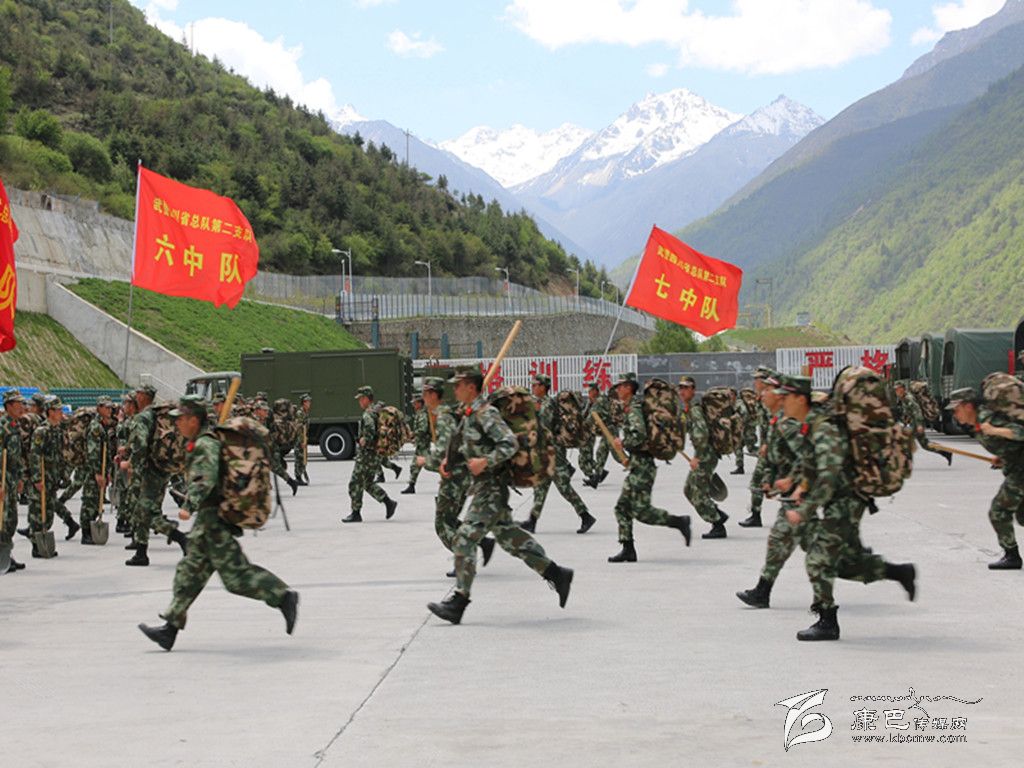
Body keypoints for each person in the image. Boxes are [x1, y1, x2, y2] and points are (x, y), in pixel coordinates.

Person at [138, 395, 298, 651]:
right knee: (189, 573)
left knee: (235, 578)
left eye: (180, 419)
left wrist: (189, 505)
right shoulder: (202, 441)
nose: (177, 423)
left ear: (193, 420)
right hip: (208, 520)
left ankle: (283, 596)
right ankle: (169, 629)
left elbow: (206, 479)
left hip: (214, 521)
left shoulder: (205, 444)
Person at [426, 370, 573, 625]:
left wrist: (485, 462)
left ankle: (459, 601)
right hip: (485, 487)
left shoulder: (486, 414)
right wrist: (449, 462)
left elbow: (508, 444)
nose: (455, 390)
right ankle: (557, 574)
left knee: (464, 539)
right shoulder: (469, 414)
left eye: (459, 385)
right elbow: (464, 446)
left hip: (492, 487)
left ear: (471, 387)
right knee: (511, 539)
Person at [779, 375, 916, 641]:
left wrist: (804, 511)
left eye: (786, 397)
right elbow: (813, 463)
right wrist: (801, 486)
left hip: (846, 500)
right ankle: (899, 572)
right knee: (846, 563)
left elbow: (829, 476)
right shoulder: (811, 423)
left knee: (817, 559)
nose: (782, 402)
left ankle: (827, 621)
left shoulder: (824, 427)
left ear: (799, 399)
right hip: (842, 499)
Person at [735, 373, 811, 608]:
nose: (763, 393)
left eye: (769, 390)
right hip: (791, 494)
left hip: (800, 495)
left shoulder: (788, 423)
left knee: (783, 541)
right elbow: (774, 456)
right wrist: (769, 480)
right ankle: (762, 591)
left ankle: (875, 567)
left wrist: (793, 481)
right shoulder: (777, 419)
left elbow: (810, 457)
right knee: (805, 543)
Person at [607, 372, 692, 563]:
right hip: (638, 464)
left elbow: (639, 436)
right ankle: (628, 549)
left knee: (642, 512)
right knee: (621, 508)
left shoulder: (635, 409)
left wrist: (623, 443)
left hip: (643, 467)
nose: (618, 389)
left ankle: (679, 522)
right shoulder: (635, 407)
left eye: (620, 386)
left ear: (629, 387)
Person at [417, 377, 495, 575]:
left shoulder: (444, 417)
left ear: (433, 394)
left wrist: (426, 461)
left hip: (454, 478)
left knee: (442, 524)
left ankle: (465, 558)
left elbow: (444, 452)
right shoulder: (450, 414)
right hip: (462, 476)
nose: (423, 397)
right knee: (451, 520)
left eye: (425, 393)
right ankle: (482, 542)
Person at [947, 387, 1024, 569]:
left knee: (998, 511)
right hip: (1016, 468)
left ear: (968, 406)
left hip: (1020, 472)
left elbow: (1021, 432)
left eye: (956, 409)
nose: (955, 415)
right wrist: (1002, 457)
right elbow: (1012, 446)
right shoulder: (977, 424)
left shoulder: (988, 419)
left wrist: (995, 430)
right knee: (1022, 516)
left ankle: (1012, 556)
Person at [520, 373, 595, 534]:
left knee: (563, 486)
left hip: (553, 451)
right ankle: (532, 521)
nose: (533, 387)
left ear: (543, 387)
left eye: (535, 385)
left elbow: (544, 427)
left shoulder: (547, 404)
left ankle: (585, 516)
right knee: (540, 486)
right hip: (544, 451)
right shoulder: (540, 404)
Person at [123, 384, 188, 566]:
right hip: (165, 467)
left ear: (142, 396)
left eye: (137, 394)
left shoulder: (144, 417)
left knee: (144, 511)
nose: (135, 397)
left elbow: (141, 445)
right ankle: (141, 552)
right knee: (147, 510)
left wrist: (131, 465)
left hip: (150, 469)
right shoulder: (159, 414)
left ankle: (180, 538)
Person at [26, 396, 79, 554]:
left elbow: (60, 455)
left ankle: (42, 542)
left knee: (48, 512)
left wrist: (64, 475)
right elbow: (35, 456)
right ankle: (36, 545)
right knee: (38, 511)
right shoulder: (42, 431)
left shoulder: (57, 431)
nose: (61, 412)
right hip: (43, 477)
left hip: (52, 478)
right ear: (50, 412)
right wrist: (37, 479)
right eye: (58, 410)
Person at [343, 386, 398, 523]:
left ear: (367, 399)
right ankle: (389, 502)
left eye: (361, 398)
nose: (359, 401)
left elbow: (370, 430)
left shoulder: (368, 414)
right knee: (367, 483)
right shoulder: (377, 412)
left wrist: (364, 440)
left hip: (366, 455)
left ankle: (356, 513)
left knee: (354, 483)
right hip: (375, 455)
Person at [684, 384, 730, 539]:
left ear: (693, 390)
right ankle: (716, 513)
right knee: (688, 490)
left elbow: (702, 433)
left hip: (705, 456)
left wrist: (697, 457)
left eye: (686, 388)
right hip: (705, 455)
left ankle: (718, 524)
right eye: (680, 388)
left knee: (697, 493)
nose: (682, 391)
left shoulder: (695, 410)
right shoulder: (690, 409)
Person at [738, 367, 775, 528]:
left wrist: (767, 444)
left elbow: (774, 423)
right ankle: (755, 514)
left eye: (757, 379)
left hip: (772, 449)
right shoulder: (761, 399)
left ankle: (756, 515)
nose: (755, 382)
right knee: (760, 482)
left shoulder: (768, 400)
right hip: (769, 448)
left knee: (758, 482)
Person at [79, 397, 115, 545]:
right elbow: (93, 452)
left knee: (96, 501)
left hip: (101, 469)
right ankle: (86, 532)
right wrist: (97, 473)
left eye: (110, 408)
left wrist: (107, 472)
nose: (109, 410)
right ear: (99, 408)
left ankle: (92, 528)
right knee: (89, 500)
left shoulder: (103, 426)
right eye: (106, 407)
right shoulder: (95, 427)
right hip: (93, 470)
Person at [893, 381, 952, 465]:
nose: (896, 391)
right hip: (913, 423)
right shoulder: (903, 398)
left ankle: (903, 461)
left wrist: (919, 425)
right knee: (925, 444)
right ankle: (945, 452)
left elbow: (917, 411)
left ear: (902, 389)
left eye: (897, 389)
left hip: (915, 424)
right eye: (895, 390)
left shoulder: (908, 398)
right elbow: (908, 413)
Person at [1, 389, 26, 572]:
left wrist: (19, 478)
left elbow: (17, 457)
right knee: (2, 519)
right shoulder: (2, 427)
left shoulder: (15, 426)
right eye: (18, 404)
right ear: (9, 405)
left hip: (11, 479)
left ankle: (6, 554)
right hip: (2, 479)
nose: (22, 407)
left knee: (11, 520)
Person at [581, 382, 617, 488]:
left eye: (590, 391)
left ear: (596, 391)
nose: (589, 393)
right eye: (588, 391)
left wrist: (581, 425)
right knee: (601, 453)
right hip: (605, 431)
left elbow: (591, 417)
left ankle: (637, 468)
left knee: (618, 456)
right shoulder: (591, 401)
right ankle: (596, 478)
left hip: (610, 430)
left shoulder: (600, 400)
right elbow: (585, 414)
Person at [402, 393, 431, 494]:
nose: (413, 405)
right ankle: (411, 485)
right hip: (420, 444)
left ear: (419, 403)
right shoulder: (419, 413)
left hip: (424, 445)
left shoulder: (422, 414)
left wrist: (413, 434)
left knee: (430, 465)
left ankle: (447, 473)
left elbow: (423, 429)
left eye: (415, 403)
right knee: (414, 465)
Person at [293, 394, 311, 486]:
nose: (309, 404)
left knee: (303, 458)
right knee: (299, 458)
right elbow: (299, 428)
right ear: (303, 403)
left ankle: (300, 475)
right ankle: (298, 477)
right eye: (307, 402)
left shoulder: (305, 413)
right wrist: (301, 441)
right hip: (299, 439)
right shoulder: (300, 413)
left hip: (303, 438)